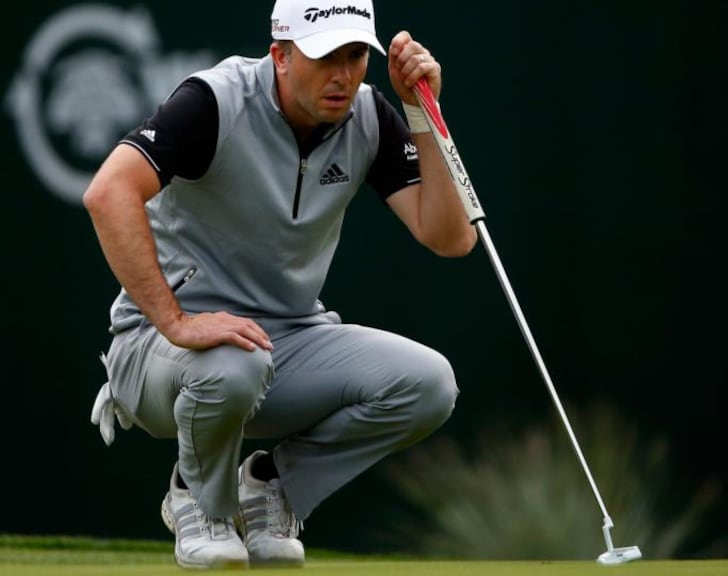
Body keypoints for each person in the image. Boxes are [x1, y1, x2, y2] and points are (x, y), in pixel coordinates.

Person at [83, 0, 476, 569]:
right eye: (324, 57)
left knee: (428, 384)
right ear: (281, 56)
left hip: (284, 342)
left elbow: (450, 237)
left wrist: (422, 113)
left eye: (354, 55)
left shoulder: (369, 115)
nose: (343, 75)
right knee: (231, 363)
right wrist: (176, 321)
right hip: (158, 352)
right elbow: (108, 193)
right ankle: (200, 501)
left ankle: (272, 487)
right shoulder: (215, 101)